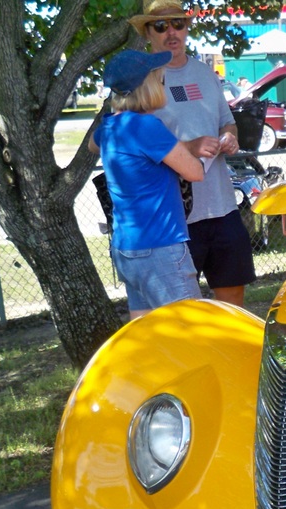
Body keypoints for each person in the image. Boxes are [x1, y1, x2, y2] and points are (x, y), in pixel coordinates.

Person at [129, 0, 256, 308]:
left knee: (232, 305)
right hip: (174, 217)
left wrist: (229, 137)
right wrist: (190, 147)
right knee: (179, 314)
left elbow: (226, 120)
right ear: (147, 33)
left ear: (187, 28)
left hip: (223, 208)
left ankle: (229, 357)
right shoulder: (139, 81)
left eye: (178, 24)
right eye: (160, 26)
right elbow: (130, 146)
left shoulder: (205, 73)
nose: (171, 32)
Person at [88, 49, 205, 320]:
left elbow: (94, 145)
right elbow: (195, 172)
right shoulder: (146, 127)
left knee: (147, 337)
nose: (164, 84)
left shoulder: (110, 127)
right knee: (192, 334)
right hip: (161, 248)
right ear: (149, 86)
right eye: (160, 79)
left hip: (127, 247)